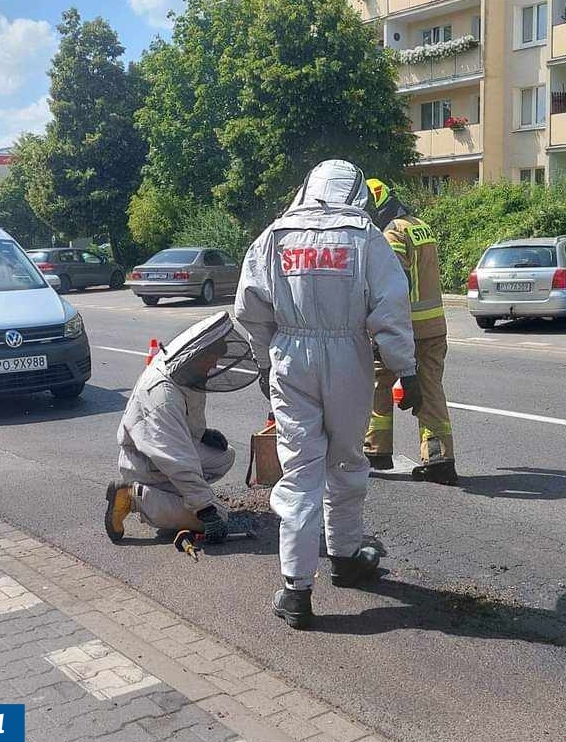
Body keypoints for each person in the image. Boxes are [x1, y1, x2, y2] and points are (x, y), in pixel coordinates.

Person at [235, 159, 422, 629]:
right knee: (346, 460)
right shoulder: (365, 238)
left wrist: (263, 360)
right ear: (355, 192)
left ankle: (296, 590)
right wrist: (406, 370)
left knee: (299, 472)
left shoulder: (274, 237)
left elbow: (250, 308)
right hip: (348, 358)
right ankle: (343, 556)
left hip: (291, 355)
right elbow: (391, 308)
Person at [106, 312, 258, 544]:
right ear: (197, 355)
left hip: (161, 455)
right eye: (211, 358)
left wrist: (202, 434)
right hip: (145, 462)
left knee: (224, 457)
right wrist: (207, 510)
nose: (215, 365)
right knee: (220, 516)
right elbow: (176, 459)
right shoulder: (162, 395)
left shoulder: (185, 372)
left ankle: (173, 497)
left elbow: (184, 423)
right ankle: (133, 497)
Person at [362, 177, 458, 486]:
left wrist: (380, 329)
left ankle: (376, 451)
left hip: (406, 329)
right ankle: (439, 458)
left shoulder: (390, 234)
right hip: (433, 327)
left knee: (379, 381)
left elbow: (395, 285)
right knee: (430, 390)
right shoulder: (419, 225)